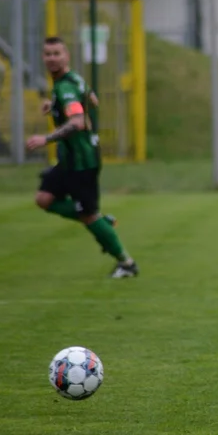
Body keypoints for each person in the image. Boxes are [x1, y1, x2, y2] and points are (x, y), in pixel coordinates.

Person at [26, 37, 138, 279]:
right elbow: (93, 100)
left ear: (66, 56)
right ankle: (99, 222)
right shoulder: (73, 79)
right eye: (48, 54)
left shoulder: (65, 86)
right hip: (69, 159)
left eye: (57, 53)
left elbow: (76, 122)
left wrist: (46, 138)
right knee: (44, 199)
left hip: (82, 162)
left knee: (88, 215)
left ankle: (126, 263)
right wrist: (55, 105)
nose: (52, 58)